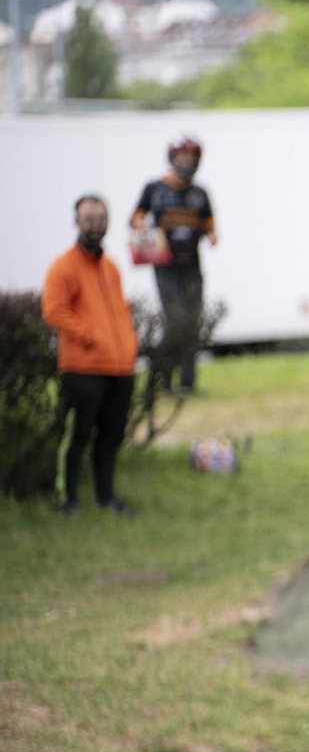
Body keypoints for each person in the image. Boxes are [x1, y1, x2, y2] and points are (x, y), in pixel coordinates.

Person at [42, 195, 138, 517]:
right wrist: (90, 335)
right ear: (77, 221)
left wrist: (127, 341)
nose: (95, 225)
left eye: (101, 218)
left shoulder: (110, 267)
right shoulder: (64, 266)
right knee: (77, 435)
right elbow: (54, 310)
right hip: (82, 368)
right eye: (89, 218)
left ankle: (105, 497)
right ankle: (67, 499)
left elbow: (119, 311)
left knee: (111, 437)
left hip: (119, 367)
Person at [131, 134, 216, 395]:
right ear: (173, 158)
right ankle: (162, 380)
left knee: (192, 322)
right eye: (182, 156)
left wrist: (211, 234)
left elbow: (210, 226)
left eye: (191, 157)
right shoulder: (155, 188)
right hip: (165, 267)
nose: (186, 161)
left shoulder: (199, 194)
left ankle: (187, 383)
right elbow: (136, 217)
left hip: (192, 266)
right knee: (175, 320)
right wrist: (142, 227)